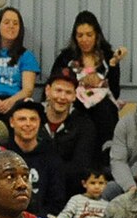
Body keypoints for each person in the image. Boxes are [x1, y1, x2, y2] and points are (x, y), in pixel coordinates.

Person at [48, 9, 127, 146]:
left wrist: (113, 66)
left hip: (102, 108)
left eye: (89, 35)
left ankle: (104, 154)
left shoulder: (108, 56)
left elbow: (115, 91)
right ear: (75, 37)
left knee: (105, 108)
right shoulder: (66, 57)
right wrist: (79, 81)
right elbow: (54, 82)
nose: (84, 40)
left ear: (97, 35)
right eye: (80, 35)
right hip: (75, 102)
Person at [0, 100, 67, 216]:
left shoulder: (51, 157)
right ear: (11, 122)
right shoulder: (1, 155)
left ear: (39, 122)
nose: (28, 124)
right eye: (22, 119)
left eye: (33, 119)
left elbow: (57, 201)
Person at [38, 72, 99, 189]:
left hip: (68, 188)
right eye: (58, 90)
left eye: (68, 92)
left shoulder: (84, 124)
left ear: (75, 96)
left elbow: (80, 166)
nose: (62, 97)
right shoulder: (33, 117)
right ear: (47, 91)